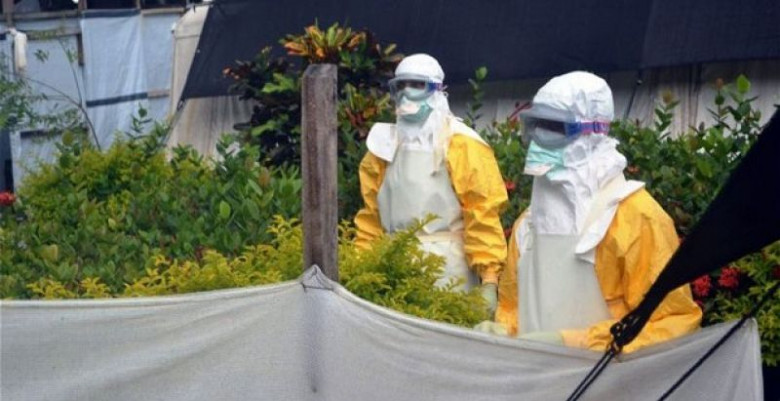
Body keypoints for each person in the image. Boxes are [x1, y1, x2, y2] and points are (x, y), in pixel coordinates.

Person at [493, 71, 701, 352]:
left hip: (610, 377)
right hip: (536, 374)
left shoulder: (636, 217)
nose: (540, 138)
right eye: (536, 125)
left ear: (594, 133)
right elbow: (513, 307)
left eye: (555, 127)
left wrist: (579, 342)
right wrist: (502, 330)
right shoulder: (528, 224)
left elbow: (673, 322)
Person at [354, 54, 508, 314]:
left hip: (450, 274)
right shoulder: (382, 146)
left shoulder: (463, 144)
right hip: (391, 269)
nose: (407, 93)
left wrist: (489, 278)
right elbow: (371, 218)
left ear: (438, 91)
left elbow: (482, 213)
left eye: (417, 85)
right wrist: (361, 265)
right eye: (401, 86)